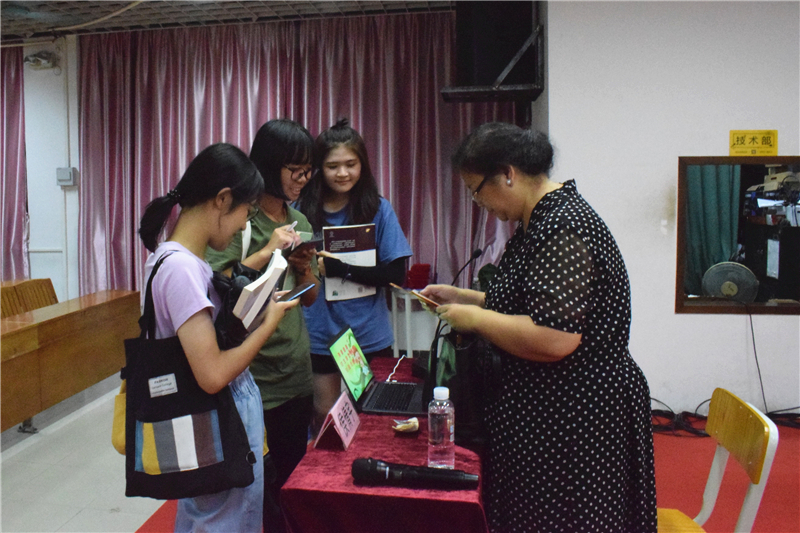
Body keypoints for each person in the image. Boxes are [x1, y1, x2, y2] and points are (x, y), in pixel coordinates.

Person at [421, 123, 657, 533]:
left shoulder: (563, 226)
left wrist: (475, 319)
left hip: (578, 417)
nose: (479, 203)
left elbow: (554, 337)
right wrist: (464, 298)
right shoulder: (540, 220)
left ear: (507, 174)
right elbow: (526, 303)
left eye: (477, 191)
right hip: (552, 410)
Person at [137, 142, 300, 532]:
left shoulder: (173, 260)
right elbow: (211, 374)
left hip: (207, 421)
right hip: (214, 420)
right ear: (223, 200)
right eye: (246, 211)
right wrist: (268, 324)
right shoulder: (181, 270)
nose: (245, 225)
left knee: (209, 517)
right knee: (225, 521)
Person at [205, 119, 319, 533]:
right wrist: (271, 251)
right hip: (252, 374)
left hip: (295, 368)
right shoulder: (242, 218)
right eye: (295, 170)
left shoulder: (300, 220)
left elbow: (308, 297)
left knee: (291, 483)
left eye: (308, 171)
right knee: (255, 490)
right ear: (270, 165)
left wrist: (303, 269)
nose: (302, 180)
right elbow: (216, 285)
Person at [296, 118, 412, 432]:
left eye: (351, 164)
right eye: (333, 166)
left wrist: (341, 269)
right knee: (325, 419)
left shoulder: (378, 209)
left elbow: (395, 274)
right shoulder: (300, 211)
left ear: (363, 165)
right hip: (319, 332)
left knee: (373, 418)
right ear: (319, 168)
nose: (343, 173)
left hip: (367, 333)